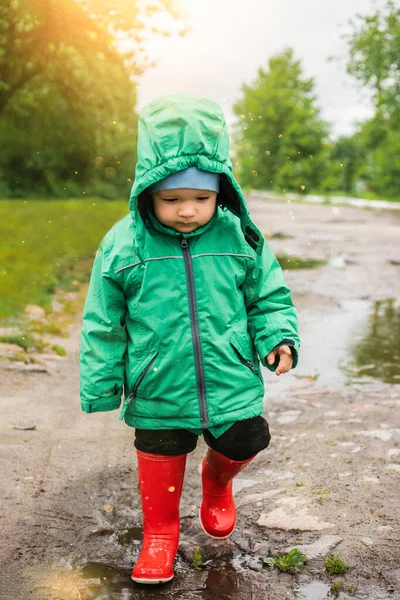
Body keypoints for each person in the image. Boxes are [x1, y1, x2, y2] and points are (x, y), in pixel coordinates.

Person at [80, 93, 300, 585]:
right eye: (172, 199)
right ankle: (160, 535)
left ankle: (217, 482)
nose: (186, 211)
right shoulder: (123, 245)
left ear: (220, 191)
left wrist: (278, 337)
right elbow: (103, 321)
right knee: (161, 445)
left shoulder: (238, 236)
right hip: (159, 382)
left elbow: (269, 296)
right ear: (147, 192)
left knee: (247, 437)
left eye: (201, 199)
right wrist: (101, 382)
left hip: (229, 377)